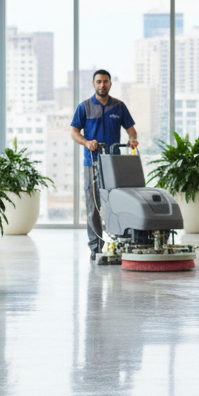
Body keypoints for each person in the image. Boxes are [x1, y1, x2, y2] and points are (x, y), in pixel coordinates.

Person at [70, 70, 138, 260]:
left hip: (114, 164)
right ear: (93, 84)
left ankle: (117, 244)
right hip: (91, 162)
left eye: (105, 81)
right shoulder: (84, 107)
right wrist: (86, 142)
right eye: (99, 82)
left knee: (115, 204)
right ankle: (96, 247)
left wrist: (133, 139)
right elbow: (74, 131)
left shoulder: (119, 106)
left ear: (110, 84)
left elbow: (131, 129)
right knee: (93, 206)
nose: (102, 85)